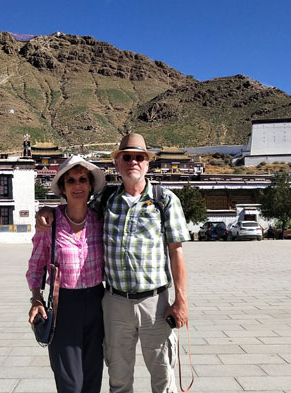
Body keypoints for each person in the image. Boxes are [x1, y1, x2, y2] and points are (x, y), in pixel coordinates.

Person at [37, 133, 190, 393]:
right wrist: (48, 210)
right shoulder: (105, 200)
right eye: (126, 157)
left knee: (163, 377)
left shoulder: (165, 200)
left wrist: (181, 301)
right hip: (115, 303)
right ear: (117, 164)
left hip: (155, 302)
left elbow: (176, 252)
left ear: (147, 163)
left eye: (139, 157)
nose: (133, 161)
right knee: (119, 379)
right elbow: (76, 203)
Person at [27, 155, 106, 393]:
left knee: (92, 377)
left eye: (83, 179)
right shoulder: (50, 223)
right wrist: (36, 298)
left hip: (97, 303)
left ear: (90, 185)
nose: (77, 185)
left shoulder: (100, 220)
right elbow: (36, 264)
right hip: (64, 304)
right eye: (70, 180)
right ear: (62, 188)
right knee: (70, 382)